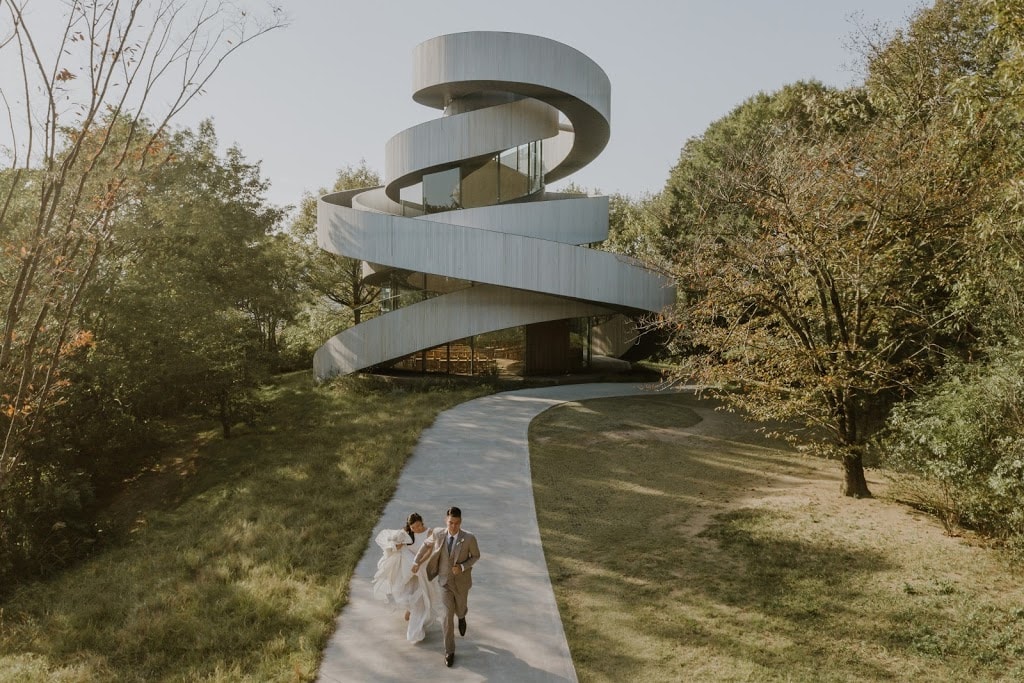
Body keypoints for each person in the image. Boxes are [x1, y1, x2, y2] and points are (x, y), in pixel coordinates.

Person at [412, 506, 481, 668]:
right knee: (447, 617)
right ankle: (449, 651)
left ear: (461, 522)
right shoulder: (438, 534)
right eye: (451, 523)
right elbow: (426, 545)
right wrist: (416, 561)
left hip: (461, 582)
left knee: (460, 608)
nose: (453, 526)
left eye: (457, 523)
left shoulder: (469, 538)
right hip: (444, 583)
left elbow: (476, 556)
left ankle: (462, 616)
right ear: (446, 521)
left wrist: (463, 567)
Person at [371, 512, 441, 642]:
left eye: (419, 526)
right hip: (409, 569)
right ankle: (412, 612)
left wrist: (418, 563)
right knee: (405, 592)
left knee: (423, 596)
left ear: (422, 522)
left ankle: (416, 620)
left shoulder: (430, 533)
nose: (417, 529)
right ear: (410, 526)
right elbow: (395, 547)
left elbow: (429, 552)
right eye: (413, 527)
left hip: (423, 567)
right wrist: (398, 544)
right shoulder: (407, 533)